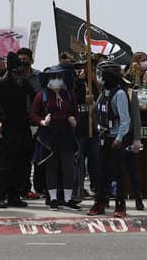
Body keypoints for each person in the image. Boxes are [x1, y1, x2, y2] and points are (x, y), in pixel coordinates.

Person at [87, 63, 133, 218]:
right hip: (103, 137)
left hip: (115, 139)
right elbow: (99, 112)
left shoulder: (119, 94)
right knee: (102, 171)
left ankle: (120, 204)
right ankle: (100, 201)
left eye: (101, 74)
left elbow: (125, 120)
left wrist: (119, 138)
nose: (99, 78)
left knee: (118, 172)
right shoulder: (104, 93)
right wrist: (91, 103)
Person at [31, 64, 79, 209]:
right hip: (49, 135)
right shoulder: (42, 95)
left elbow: (75, 112)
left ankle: (68, 199)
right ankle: (52, 199)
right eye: (54, 77)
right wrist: (42, 121)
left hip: (66, 133)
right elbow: (33, 114)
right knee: (51, 167)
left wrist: (74, 119)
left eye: (59, 77)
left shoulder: (69, 94)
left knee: (68, 167)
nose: (57, 80)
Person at [0, 50, 35, 208]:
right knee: (7, 164)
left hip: (23, 125)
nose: (20, 70)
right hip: (9, 126)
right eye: (17, 68)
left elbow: (35, 96)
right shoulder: (2, 83)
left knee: (22, 163)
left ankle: (14, 196)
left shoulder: (24, 82)